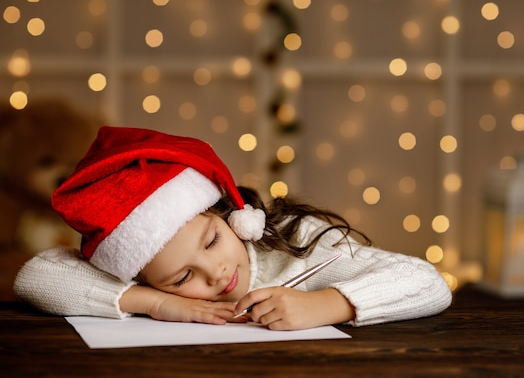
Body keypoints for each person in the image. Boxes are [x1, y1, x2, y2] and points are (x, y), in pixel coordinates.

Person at [13, 126, 452, 331]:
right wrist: (155, 304)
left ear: (229, 215)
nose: (216, 273)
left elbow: (428, 283)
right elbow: (35, 277)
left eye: (212, 241)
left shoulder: (297, 243)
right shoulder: (151, 288)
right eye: (183, 278)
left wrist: (326, 305)